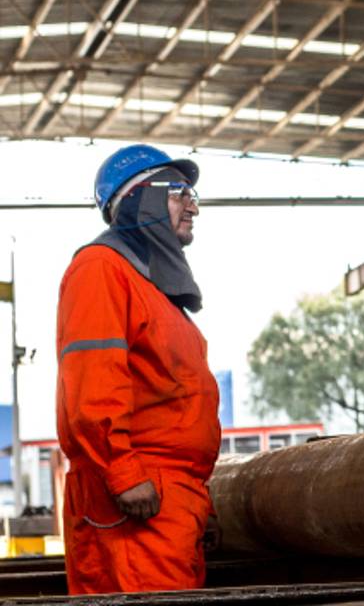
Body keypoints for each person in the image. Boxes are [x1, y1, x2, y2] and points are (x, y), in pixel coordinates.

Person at [56, 144, 220, 594]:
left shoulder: (154, 292)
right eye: (179, 191)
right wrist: (124, 472)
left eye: (193, 195)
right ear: (139, 197)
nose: (193, 206)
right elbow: (91, 380)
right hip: (136, 498)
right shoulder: (101, 270)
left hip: (167, 500)